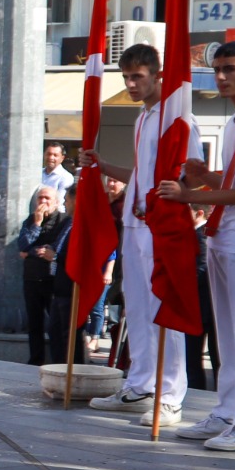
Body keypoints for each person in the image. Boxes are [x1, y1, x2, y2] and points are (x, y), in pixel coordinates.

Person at [154, 41, 235, 451]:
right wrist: (203, 177)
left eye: (230, 68)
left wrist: (190, 195)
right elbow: (234, 187)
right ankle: (230, 412)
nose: (222, 76)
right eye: (217, 69)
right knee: (227, 335)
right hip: (224, 234)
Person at [83, 42, 193, 424]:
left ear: (157, 74)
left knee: (166, 303)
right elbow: (139, 177)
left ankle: (172, 394)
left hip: (161, 225)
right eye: (127, 77)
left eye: (138, 77)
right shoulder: (142, 118)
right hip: (134, 222)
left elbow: (186, 175)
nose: (131, 84)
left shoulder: (177, 118)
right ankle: (142, 383)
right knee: (139, 305)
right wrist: (104, 166)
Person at [13, 185, 69, 366]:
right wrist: (36, 224)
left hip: (52, 279)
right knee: (34, 322)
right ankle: (36, 359)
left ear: (56, 202)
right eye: (40, 198)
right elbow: (23, 245)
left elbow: (54, 248)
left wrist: (32, 251)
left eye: (47, 199)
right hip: (31, 278)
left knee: (56, 324)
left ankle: (58, 361)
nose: (43, 202)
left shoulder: (63, 220)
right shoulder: (31, 220)